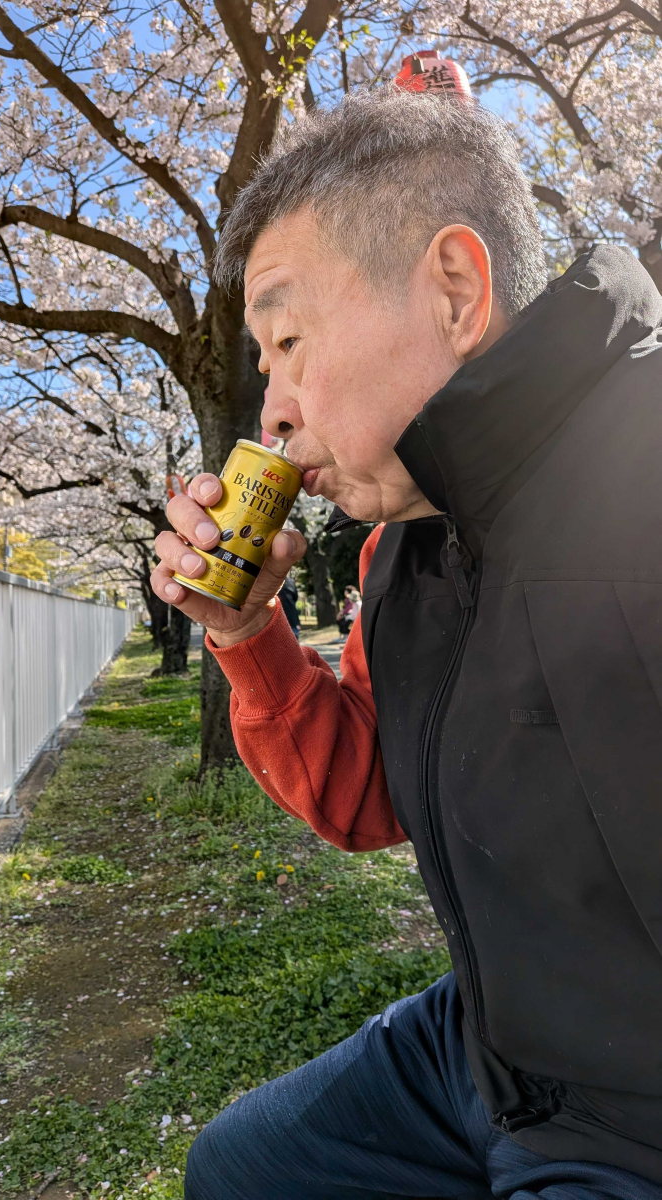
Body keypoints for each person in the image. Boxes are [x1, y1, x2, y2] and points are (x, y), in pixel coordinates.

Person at [150, 87, 662, 1199]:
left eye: (290, 340)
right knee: (235, 1167)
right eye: (263, 361)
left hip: (635, 1118)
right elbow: (371, 796)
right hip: (489, 1041)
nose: (272, 412)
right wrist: (246, 631)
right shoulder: (401, 547)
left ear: (455, 291)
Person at [277, 573, 300, 638]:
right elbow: (295, 597)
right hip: (291, 614)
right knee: (294, 637)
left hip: (278, 614)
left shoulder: (273, 582)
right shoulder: (291, 582)